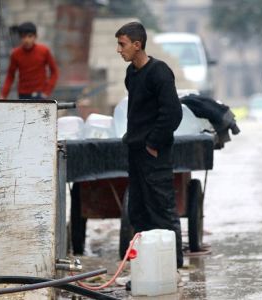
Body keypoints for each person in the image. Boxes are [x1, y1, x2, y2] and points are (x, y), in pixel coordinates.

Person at [115, 22, 184, 268]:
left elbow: (173, 114)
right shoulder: (131, 74)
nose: (118, 50)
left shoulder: (159, 72)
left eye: (122, 44)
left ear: (137, 44)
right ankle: (148, 269)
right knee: (139, 212)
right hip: (135, 154)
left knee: (162, 212)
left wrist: (153, 143)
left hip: (154, 155)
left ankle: (172, 268)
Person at [2, 22, 59, 100]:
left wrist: (46, 92)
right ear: (20, 38)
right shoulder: (15, 54)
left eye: (30, 36)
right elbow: (10, 76)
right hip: (23, 95)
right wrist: (3, 96)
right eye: (23, 37)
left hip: (40, 95)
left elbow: (54, 72)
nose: (26, 40)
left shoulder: (44, 51)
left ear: (35, 37)